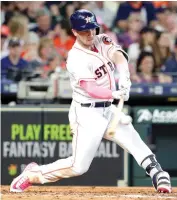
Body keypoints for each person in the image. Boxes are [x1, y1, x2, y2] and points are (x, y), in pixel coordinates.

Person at [10, 9, 172, 193]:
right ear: (75, 32)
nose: (90, 34)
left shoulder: (101, 39)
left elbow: (118, 55)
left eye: (92, 29)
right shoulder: (75, 58)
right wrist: (113, 93)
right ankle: (33, 174)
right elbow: (90, 88)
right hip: (87, 113)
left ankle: (157, 172)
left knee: (133, 139)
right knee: (78, 167)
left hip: (108, 109)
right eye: (84, 31)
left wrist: (125, 75)